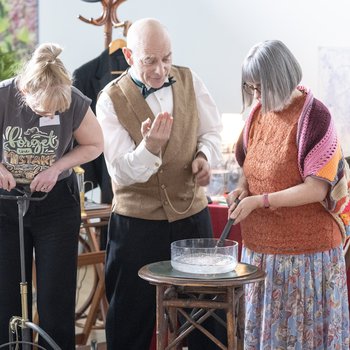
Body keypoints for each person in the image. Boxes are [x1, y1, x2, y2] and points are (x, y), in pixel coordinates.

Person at [96, 18, 223, 350]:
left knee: (206, 317)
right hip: (136, 225)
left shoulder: (190, 80)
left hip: (191, 217)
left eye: (166, 58)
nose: (160, 69)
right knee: (129, 320)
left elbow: (211, 133)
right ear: (128, 56)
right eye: (149, 60)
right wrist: (149, 148)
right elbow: (120, 172)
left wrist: (204, 157)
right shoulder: (110, 99)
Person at [228, 40, 350, 349]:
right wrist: (242, 191)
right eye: (251, 88)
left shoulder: (315, 117)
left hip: (305, 258)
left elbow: (316, 187)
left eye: (260, 88)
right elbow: (249, 168)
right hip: (261, 255)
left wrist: (261, 201)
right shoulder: (257, 114)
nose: (255, 96)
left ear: (280, 80)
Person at [0, 43, 103, 349]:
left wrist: (57, 168)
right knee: (6, 296)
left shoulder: (75, 102)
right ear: (25, 91)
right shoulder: (4, 96)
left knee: (55, 296)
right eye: (43, 109)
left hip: (56, 204)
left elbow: (94, 145)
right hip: (5, 205)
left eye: (56, 111)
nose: (51, 114)